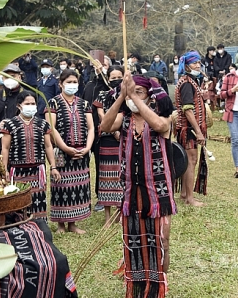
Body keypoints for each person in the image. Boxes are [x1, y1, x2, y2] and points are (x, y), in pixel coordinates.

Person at [101, 72, 176, 298]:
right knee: (134, 236)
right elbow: (104, 126)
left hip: (157, 189)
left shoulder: (162, 117)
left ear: (150, 96)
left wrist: (136, 96)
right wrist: (121, 96)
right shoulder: (124, 119)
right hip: (131, 189)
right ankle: (136, 283)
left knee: (161, 237)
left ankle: (159, 282)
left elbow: (159, 125)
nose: (134, 98)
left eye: (140, 92)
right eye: (132, 94)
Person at [47, 69, 94, 234]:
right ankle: (61, 225)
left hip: (81, 151)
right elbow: (52, 128)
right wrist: (66, 148)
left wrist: (87, 147)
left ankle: (73, 224)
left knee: (78, 187)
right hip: (61, 152)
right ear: (60, 84)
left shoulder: (84, 104)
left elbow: (91, 127)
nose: (72, 85)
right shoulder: (53, 103)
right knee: (61, 186)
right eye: (69, 82)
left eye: (75, 82)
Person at [1, 92, 60, 220]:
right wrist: (4, 170)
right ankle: (19, 228)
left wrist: (53, 167)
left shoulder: (43, 124)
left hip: (37, 171)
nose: (30, 106)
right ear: (19, 106)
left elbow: (48, 146)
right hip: (17, 172)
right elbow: (5, 148)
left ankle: (40, 227)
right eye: (27, 104)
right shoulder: (10, 124)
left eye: (33, 103)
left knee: (38, 200)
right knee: (18, 201)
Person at [175, 51, 207, 207]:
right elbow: (188, 110)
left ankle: (183, 193)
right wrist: (198, 131)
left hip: (187, 128)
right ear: (186, 65)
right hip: (188, 130)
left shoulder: (190, 81)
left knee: (188, 160)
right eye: (194, 63)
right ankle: (189, 197)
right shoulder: (187, 83)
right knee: (190, 161)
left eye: (199, 63)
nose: (198, 65)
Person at [93, 65, 124, 224]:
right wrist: (114, 131)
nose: (116, 80)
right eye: (113, 78)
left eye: (119, 77)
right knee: (106, 178)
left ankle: (120, 214)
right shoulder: (102, 95)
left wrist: (120, 131)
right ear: (108, 79)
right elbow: (102, 116)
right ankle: (107, 217)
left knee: (121, 177)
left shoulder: (127, 95)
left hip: (124, 140)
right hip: (107, 139)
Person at [82, 58, 110, 212]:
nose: (99, 68)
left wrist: (102, 73)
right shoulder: (89, 85)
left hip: (102, 131)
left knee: (102, 165)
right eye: (97, 65)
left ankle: (101, 196)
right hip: (86, 130)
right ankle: (84, 197)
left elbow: (106, 84)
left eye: (104, 65)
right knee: (84, 165)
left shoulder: (108, 86)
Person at [0, 64, 28, 148]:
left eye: (13, 76)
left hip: (22, 142)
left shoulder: (28, 96)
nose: (10, 79)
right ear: (2, 79)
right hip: (0, 143)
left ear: (19, 77)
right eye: (6, 77)